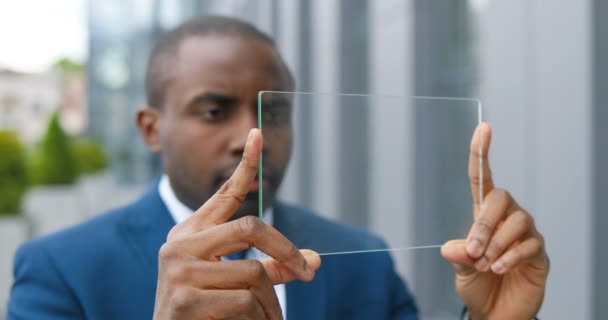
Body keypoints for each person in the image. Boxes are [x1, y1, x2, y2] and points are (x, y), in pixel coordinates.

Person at [7, 16, 549, 320]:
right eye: (214, 110)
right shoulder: (62, 271)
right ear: (151, 128)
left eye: (275, 111)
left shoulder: (364, 263)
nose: (253, 139)